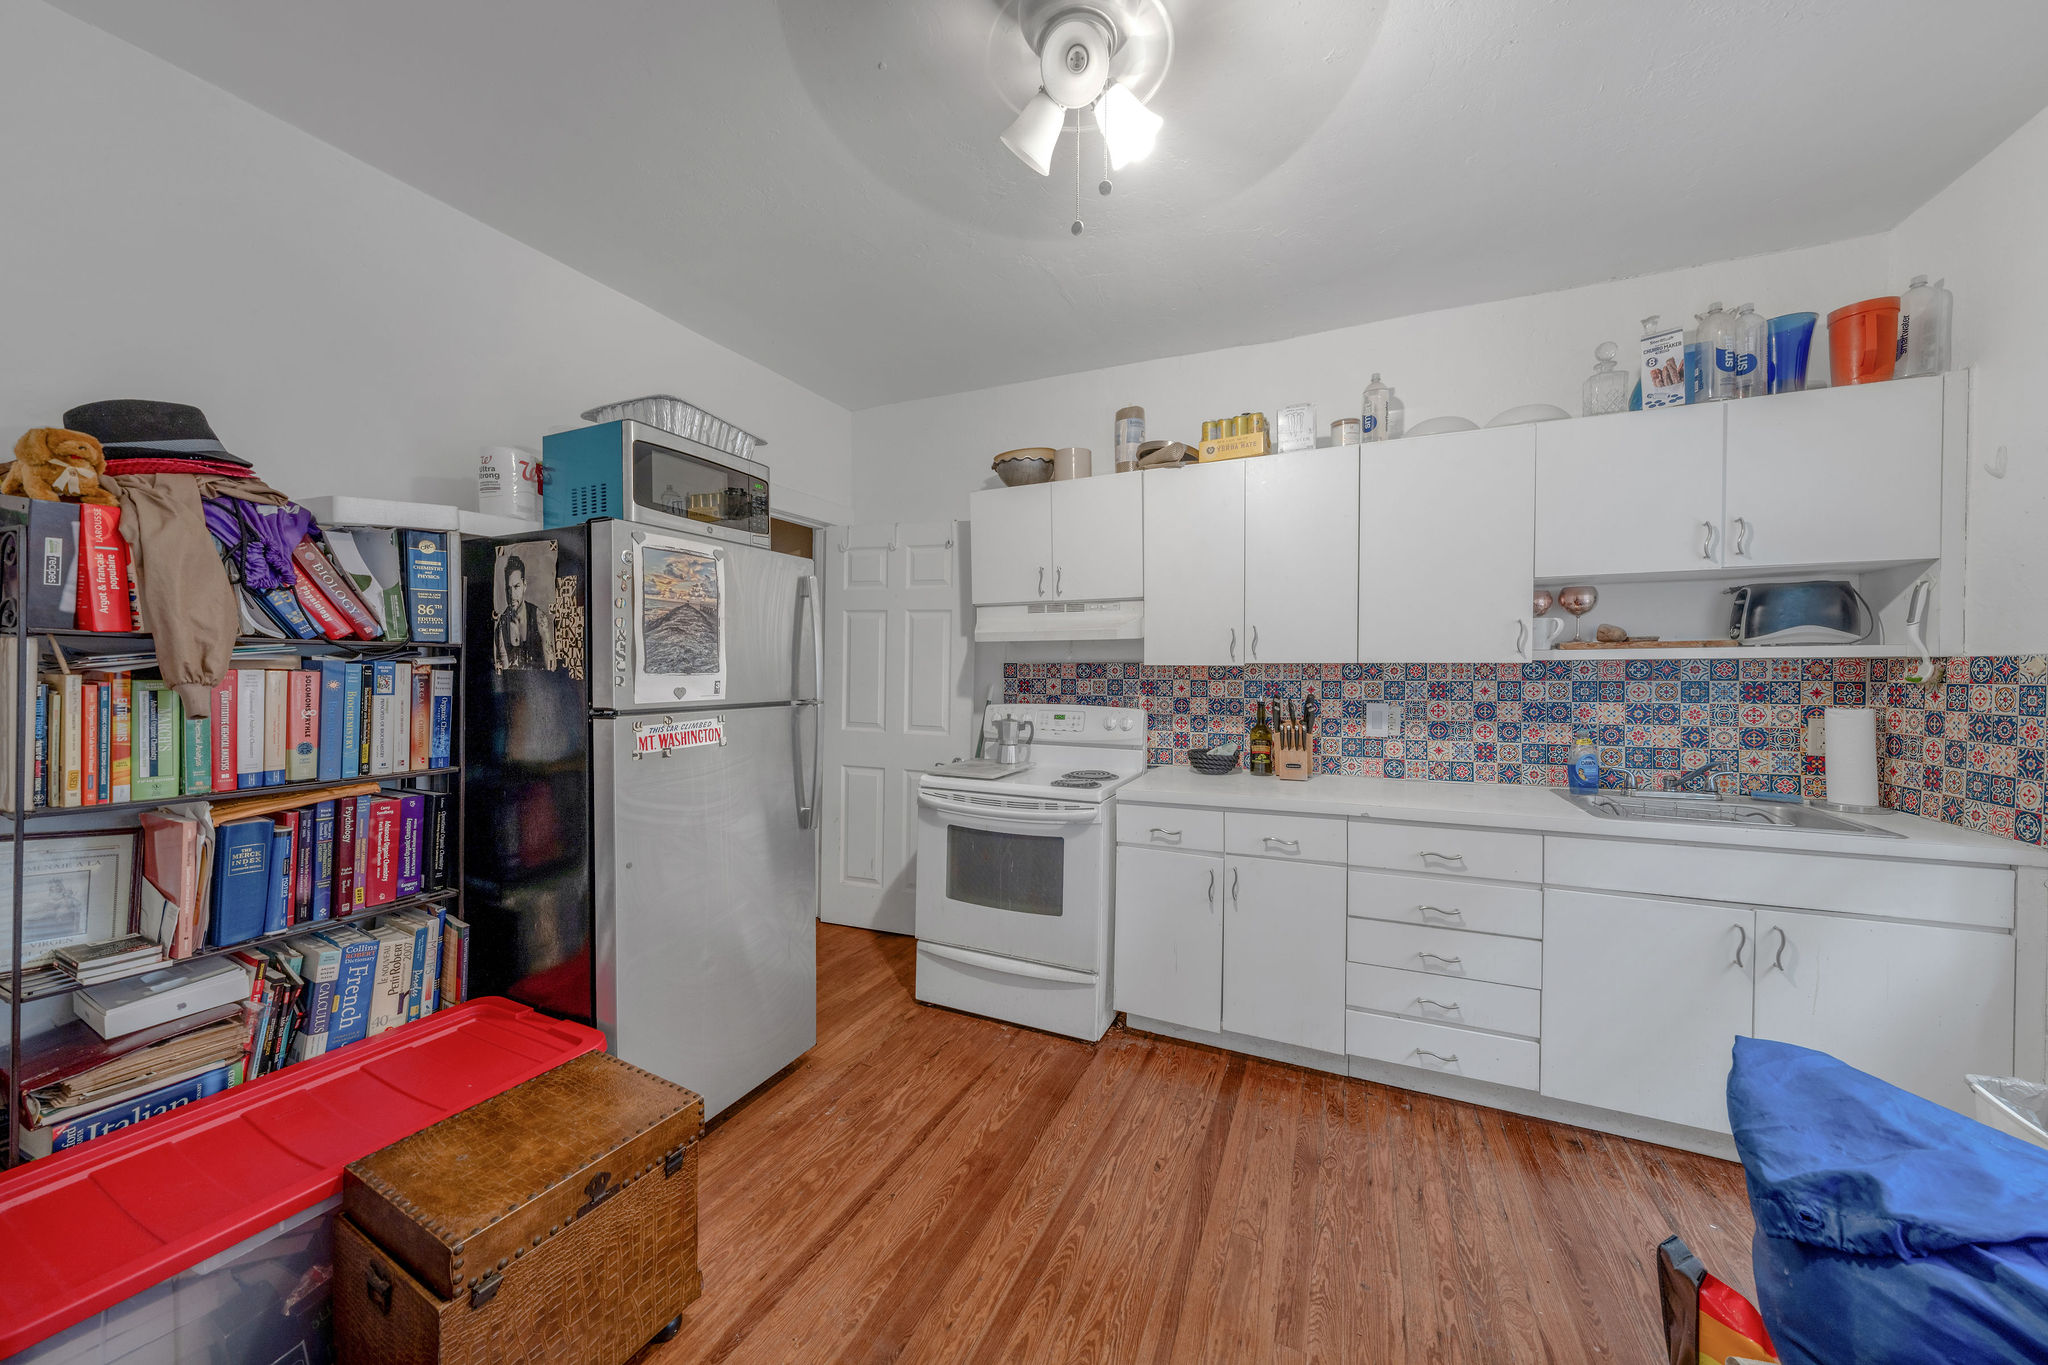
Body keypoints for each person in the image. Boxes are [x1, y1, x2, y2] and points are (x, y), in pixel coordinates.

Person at [495, 553, 548, 670]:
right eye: (508, 588)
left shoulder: (538, 617)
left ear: (524, 585)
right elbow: (504, 668)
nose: (512, 595)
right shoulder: (502, 625)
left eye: (516, 586)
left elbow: (550, 664)